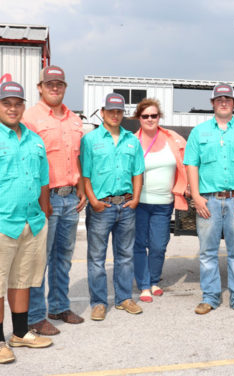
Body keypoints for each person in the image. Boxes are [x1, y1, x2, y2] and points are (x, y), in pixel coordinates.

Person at [22, 66, 87, 336]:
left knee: (63, 258)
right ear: (40, 87)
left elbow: (79, 157)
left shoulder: (74, 120)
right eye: (50, 84)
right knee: (40, 259)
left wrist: (82, 187)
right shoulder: (30, 118)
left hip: (70, 198)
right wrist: (39, 200)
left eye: (59, 84)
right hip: (44, 199)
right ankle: (35, 316)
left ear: (64, 87)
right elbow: (26, 161)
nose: (55, 88)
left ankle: (59, 306)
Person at [184, 84, 234, 316]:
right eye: (219, 99)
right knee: (207, 252)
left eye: (227, 99)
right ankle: (210, 297)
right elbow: (191, 164)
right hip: (209, 200)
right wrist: (196, 196)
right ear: (212, 103)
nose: (223, 102)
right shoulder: (199, 132)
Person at [0, 81, 52, 364]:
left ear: (23, 106)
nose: (12, 108)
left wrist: (43, 215)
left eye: (17, 103)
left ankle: (20, 333)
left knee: (21, 281)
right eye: (6, 103)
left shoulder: (34, 140)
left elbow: (43, 181)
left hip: (31, 222)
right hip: (2, 222)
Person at [80, 93, 144, 321]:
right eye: (111, 111)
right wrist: (93, 201)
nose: (115, 115)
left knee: (125, 255)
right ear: (103, 112)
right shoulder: (90, 140)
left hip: (126, 205)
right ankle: (98, 302)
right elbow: (85, 174)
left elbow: (138, 172)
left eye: (119, 111)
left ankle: (124, 298)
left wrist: (135, 199)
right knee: (96, 258)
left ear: (123, 113)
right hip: (101, 207)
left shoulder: (132, 140)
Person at [132, 98, 188, 303]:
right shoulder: (132, 141)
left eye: (153, 115)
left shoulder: (172, 138)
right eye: (145, 116)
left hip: (164, 203)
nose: (149, 119)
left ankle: (154, 279)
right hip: (138, 202)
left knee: (158, 245)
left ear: (159, 117)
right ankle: (144, 285)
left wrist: (188, 185)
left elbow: (190, 158)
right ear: (139, 118)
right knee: (139, 244)